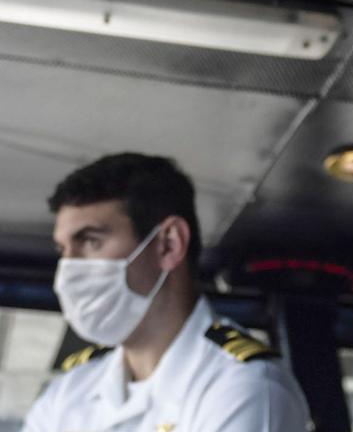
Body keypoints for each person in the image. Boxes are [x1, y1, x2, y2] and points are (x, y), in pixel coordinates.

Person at [22, 153, 312, 432]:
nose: (68, 268)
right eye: (63, 250)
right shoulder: (68, 392)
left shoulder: (246, 387)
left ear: (168, 245)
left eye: (90, 242)